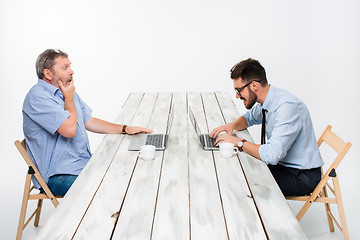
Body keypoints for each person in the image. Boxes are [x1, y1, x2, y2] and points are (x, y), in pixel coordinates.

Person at [22, 49, 153, 197]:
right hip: (56, 176)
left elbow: (88, 121)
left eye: (70, 66)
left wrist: (125, 128)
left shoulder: (64, 90)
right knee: (111, 190)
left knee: (127, 173)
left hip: (81, 164)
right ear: (48, 74)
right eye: (65, 68)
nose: (72, 71)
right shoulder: (38, 97)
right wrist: (69, 98)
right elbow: (69, 131)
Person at [210, 58, 324, 196]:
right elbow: (249, 118)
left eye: (239, 90)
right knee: (237, 170)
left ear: (254, 86)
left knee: (243, 183)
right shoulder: (270, 98)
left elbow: (271, 155)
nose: (236, 95)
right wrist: (231, 126)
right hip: (282, 166)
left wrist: (238, 142)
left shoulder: (287, 107)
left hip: (301, 176)